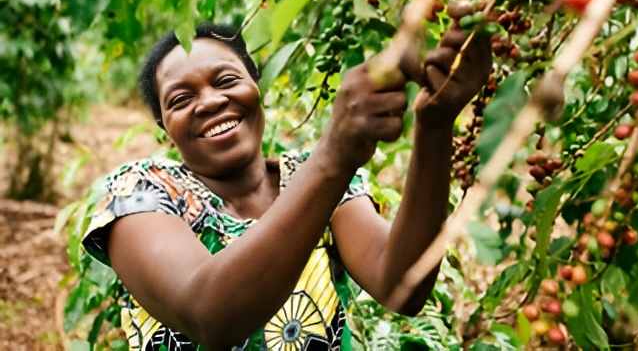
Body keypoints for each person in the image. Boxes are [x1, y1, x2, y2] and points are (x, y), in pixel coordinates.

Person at [82, 21, 492, 351]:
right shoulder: (140, 194)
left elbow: (402, 286)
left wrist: (435, 124)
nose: (208, 102)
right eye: (180, 99)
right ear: (165, 130)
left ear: (256, 87)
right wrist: (334, 155)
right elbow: (211, 317)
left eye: (225, 81)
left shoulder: (313, 181)